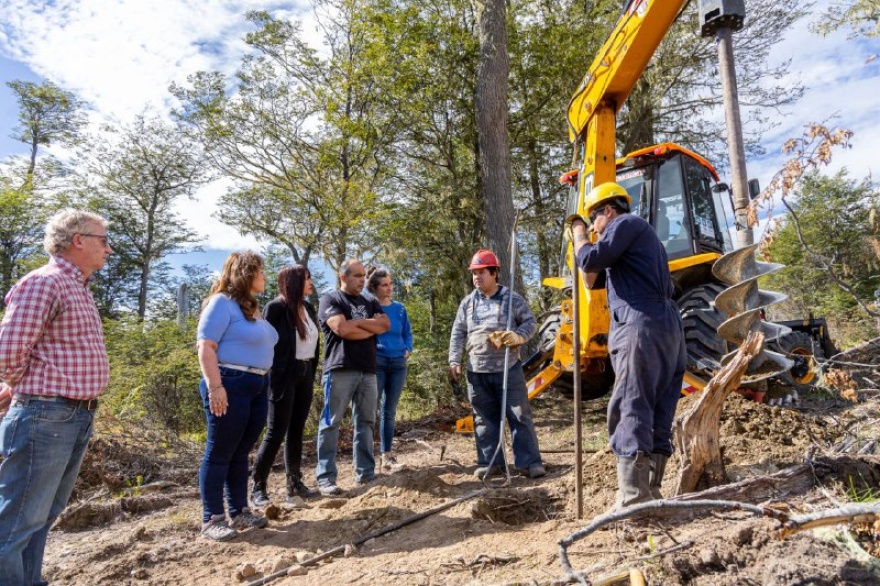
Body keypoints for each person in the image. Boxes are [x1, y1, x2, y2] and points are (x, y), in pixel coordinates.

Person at [0, 209, 112, 585]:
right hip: (46, 415)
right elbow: (8, 352)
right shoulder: (44, 282)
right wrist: (24, 387)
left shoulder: (77, 287)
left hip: (71, 416)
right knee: (16, 523)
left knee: (42, 516)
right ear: (78, 240)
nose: (108, 249)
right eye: (103, 240)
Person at [569, 182, 687, 507]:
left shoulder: (625, 223)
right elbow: (591, 277)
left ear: (609, 210)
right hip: (666, 329)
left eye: (595, 221)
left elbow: (589, 257)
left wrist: (579, 232)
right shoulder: (638, 245)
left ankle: (633, 501)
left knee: (630, 404)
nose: (594, 229)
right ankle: (651, 492)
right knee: (658, 406)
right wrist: (584, 250)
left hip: (640, 325)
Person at [196, 251, 278, 541]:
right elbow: (206, 346)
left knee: (240, 452)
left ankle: (239, 510)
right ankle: (212, 518)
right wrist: (216, 387)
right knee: (220, 451)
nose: (264, 277)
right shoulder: (221, 304)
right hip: (229, 382)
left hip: (258, 385)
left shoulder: (251, 308)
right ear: (246, 274)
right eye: (260, 271)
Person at [448, 249, 546, 479]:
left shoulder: (512, 299)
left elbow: (531, 323)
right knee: (483, 418)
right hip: (477, 371)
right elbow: (458, 332)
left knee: (519, 415)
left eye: (482, 273)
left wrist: (518, 336)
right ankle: (491, 462)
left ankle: (529, 462)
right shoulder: (468, 303)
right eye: (474, 273)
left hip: (507, 369)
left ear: (494, 273)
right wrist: (454, 359)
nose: (477, 278)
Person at [315, 259, 389, 496]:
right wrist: (368, 326)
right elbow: (341, 330)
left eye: (364, 275)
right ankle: (326, 478)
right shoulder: (331, 299)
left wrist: (355, 323)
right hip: (340, 368)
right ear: (343, 277)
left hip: (368, 370)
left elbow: (384, 325)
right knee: (330, 423)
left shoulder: (369, 300)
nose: (362, 280)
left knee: (366, 422)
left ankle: (366, 473)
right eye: (357, 276)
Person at [251, 265, 320, 506]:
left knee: (297, 431)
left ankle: (294, 483)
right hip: (283, 376)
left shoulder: (308, 308)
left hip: (305, 372)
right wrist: (274, 373)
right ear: (293, 282)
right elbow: (267, 343)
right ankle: (258, 486)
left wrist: (310, 371)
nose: (311, 283)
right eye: (306, 279)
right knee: (275, 432)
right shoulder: (276, 308)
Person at [366, 266, 413, 472]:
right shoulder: (369, 307)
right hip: (378, 363)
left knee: (389, 411)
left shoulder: (400, 308)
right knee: (370, 410)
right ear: (375, 288)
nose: (389, 288)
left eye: (390, 284)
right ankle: (367, 459)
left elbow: (407, 332)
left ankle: (387, 455)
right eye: (384, 285)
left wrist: (407, 349)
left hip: (398, 364)